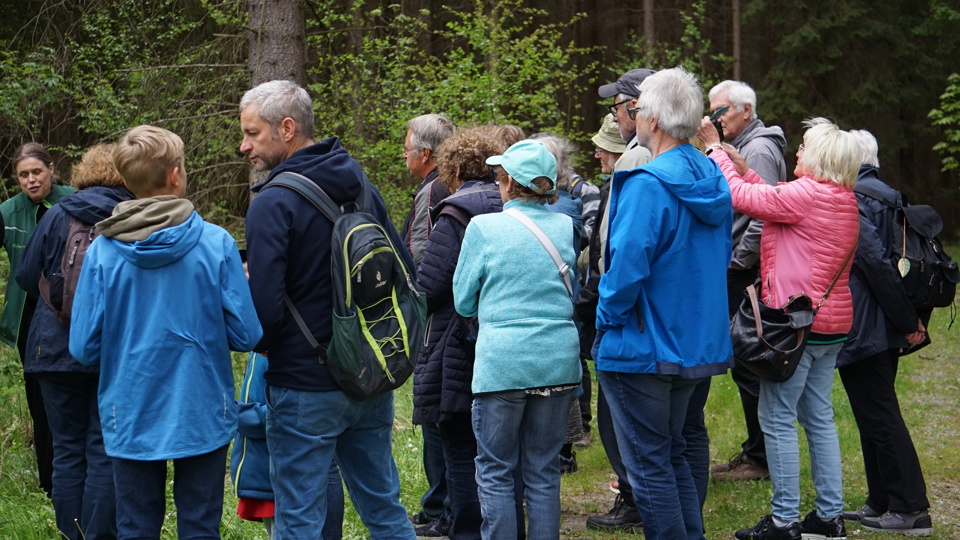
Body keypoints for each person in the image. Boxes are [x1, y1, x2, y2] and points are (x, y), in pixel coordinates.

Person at [240, 80, 415, 539]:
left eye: (253, 133)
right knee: (384, 508)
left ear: (288, 128)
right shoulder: (357, 181)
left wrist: (255, 342)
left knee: (299, 519)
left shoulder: (272, 202)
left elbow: (265, 314)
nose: (244, 146)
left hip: (304, 386)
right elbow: (401, 267)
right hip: (367, 375)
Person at [69, 125, 263, 538]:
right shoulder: (216, 243)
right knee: (199, 525)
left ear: (124, 180)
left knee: (135, 526)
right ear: (176, 174)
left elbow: (84, 346)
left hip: (130, 407)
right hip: (202, 407)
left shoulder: (102, 251)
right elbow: (247, 334)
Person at [700, 118, 859, 540]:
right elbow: (769, 197)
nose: (798, 153)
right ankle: (828, 517)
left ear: (821, 157)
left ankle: (784, 520)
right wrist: (740, 164)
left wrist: (716, 151)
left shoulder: (807, 194)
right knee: (819, 417)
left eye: (804, 147)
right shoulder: (840, 197)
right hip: (829, 325)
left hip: (796, 327)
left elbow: (740, 197)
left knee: (777, 417)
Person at [594, 67, 732, 540]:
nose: (633, 117)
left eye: (634, 110)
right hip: (695, 341)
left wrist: (605, 318)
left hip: (646, 344)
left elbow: (626, 267)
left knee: (652, 463)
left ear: (650, 118)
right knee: (674, 451)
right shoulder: (712, 174)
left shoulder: (649, 184)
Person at [453, 139, 581, 540]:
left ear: (507, 181)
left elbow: (462, 300)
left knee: (495, 471)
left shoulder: (484, 228)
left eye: (499, 174)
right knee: (543, 471)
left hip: (502, 366)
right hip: (557, 362)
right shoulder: (564, 226)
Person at [15, 144, 133, 540]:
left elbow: (26, 276)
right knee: (103, 448)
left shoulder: (58, 215)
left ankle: (71, 534)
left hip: (53, 348)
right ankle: (100, 535)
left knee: (67, 450)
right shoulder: (133, 214)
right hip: (112, 350)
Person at [413, 125, 513, 540]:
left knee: (459, 447)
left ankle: (467, 530)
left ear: (453, 169)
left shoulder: (456, 213)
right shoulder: (512, 205)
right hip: (505, 340)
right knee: (503, 456)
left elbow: (431, 286)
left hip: (456, 344)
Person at [835, 130, 933, 536]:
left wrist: (908, 323)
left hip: (866, 324)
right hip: (883, 325)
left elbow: (875, 265)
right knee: (871, 414)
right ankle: (882, 500)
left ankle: (911, 508)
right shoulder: (889, 194)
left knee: (880, 415)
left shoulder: (856, 197)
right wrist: (905, 321)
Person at [584, 70, 657, 534]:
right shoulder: (673, 159)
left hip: (628, 318)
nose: (613, 113)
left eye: (617, 106)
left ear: (636, 108)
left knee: (622, 416)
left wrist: (605, 310)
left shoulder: (637, 163)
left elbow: (625, 253)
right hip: (643, 317)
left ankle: (635, 500)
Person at [707, 80, 787, 482]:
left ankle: (762, 459)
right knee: (744, 362)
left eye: (720, 111)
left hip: (747, 273)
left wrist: (737, 262)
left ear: (746, 110)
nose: (714, 119)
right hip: (742, 268)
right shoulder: (747, 144)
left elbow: (766, 211)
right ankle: (757, 452)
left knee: (750, 360)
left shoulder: (757, 149)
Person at [0, 142, 73, 497]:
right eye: (23, 175)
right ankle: (49, 479)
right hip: (28, 316)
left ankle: (75, 469)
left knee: (69, 391)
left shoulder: (72, 200)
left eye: (37, 172)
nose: (31, 181)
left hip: (68, 310)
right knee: (39, 398)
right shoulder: (8, 212)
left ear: (51, 168)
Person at [399, 113, 455, 536]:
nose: (404, 155)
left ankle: (440, 508)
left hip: (435, 317)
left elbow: (420, 254)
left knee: (435, 413)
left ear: (425, 153)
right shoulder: (446, 183)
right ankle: (440, 503)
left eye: (407, 148)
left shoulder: (433, 190)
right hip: (454, 314)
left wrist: (412, 306)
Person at [232, 352, 345, 540]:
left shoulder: (285, 343)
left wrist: (240, 416)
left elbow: (294, 411)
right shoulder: (264, 345)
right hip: (266, 463)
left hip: (284, 462)